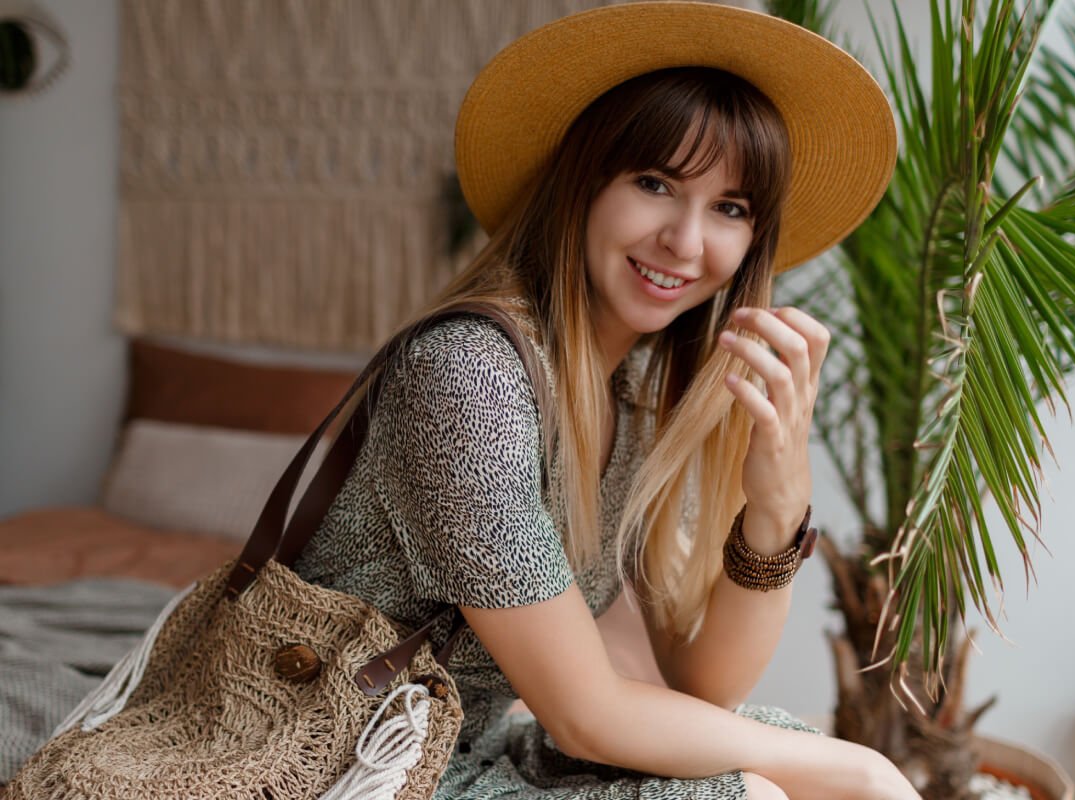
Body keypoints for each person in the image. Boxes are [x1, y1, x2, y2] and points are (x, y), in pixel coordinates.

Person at [295, 2, 914, 798]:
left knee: (769, 760)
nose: (686, 244)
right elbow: (586, 713)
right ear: (583, 184)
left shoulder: (629, 403)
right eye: (655, 184)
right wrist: (860, 766)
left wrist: (779, 503)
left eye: (730, 208)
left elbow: (700, 690)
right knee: (778, 784)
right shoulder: (468, 376)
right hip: (340, 766)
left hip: (453, 757)